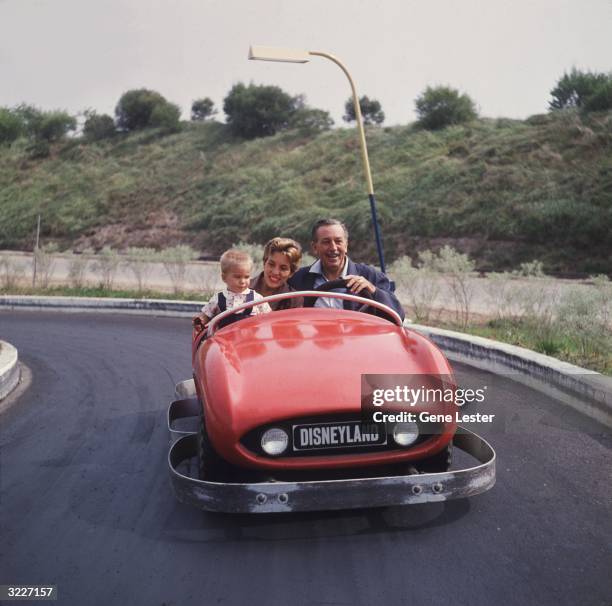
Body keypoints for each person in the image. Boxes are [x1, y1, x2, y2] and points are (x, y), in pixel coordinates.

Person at [288, 218, 405, 321]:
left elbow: (398, 316)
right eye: (326, 242)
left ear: (346, 245)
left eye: (338, 241)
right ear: (314, 247)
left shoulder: (371, 276)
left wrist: (373, 291)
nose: (333, 248)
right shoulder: (297, 279)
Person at [193, 249, 271, 332]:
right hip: (225, 341)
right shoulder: (218, 299)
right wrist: (200, 320)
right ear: (224, 277)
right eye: (238, 277)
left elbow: (270, 317)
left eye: (246, 277)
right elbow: (206, 315)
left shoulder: (257, 299)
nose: (242, 281)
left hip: (250, 341)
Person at [250, 237, 303, 311]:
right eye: (271, 264)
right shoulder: (242, 288)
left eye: (283, 268)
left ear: (291, 273)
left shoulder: (294, 300)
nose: (275, 272)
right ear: (264, 262)